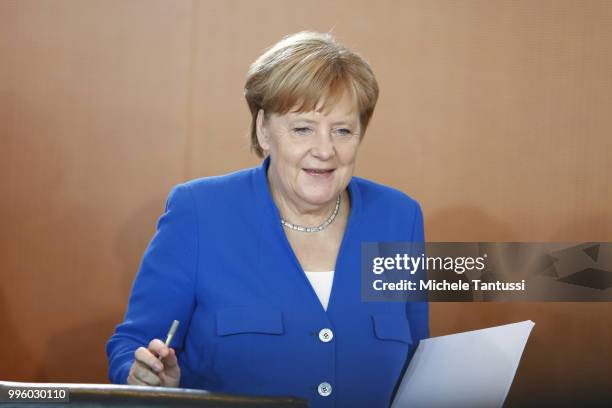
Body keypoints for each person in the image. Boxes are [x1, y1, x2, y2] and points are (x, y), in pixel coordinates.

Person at [106, 31, 428, 407]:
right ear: (264, 129)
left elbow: (418, 367)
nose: (325, 151)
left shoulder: (399, 217)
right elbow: (132, 346)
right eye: (303, 128)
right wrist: (145, 373)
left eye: (342, 130)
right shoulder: (199, 212)